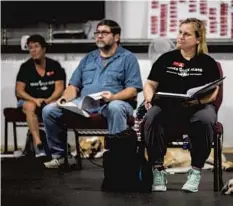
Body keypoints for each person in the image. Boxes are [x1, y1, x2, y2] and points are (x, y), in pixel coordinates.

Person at [42, 19, 143, 168]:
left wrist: (113, 97)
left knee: (115, 107)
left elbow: (133, 89)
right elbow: (73, 86)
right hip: (85, 104)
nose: (99, 36)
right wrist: (64, 98)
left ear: (116, 37)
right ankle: (60, 156)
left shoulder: (128, 58)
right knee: (49, 110)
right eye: (97, 33)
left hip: (114, 103)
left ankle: (118, 157)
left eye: (104, 33)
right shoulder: (88, 58)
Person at [142, 18, 221, 192]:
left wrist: (199, 101)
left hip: (197, 106)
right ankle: (158, 170)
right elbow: (150, 84)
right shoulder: (166, 59)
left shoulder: (207, 62)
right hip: (168, 107)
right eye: (180, 32)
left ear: (198, 39)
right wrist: (149, 98)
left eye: (186, 34)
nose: (181, 37)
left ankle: (195, 171)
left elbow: (214, 91)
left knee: (206, 118)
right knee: (151, 117)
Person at [15, 34, 66, 157]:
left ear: (44, 49)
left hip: (51, 100)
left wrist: (47, 101)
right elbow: (19, 91)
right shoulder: (25, 67)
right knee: (29, 106)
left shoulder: (54, 65)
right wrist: (35, 100)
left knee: (56, 107)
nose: (33, 50)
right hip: (29, 101)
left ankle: (58, 148)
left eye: (36, 47)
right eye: (30, 47)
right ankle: (38, 144)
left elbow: (60, 89)